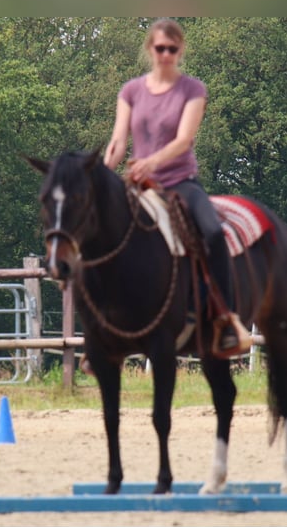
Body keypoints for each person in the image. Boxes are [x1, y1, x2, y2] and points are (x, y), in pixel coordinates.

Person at [103, 18, 249, 357]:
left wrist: (151, 162)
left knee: (212, 232)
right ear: (149, 49)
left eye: (172, 49)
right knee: (100, 231)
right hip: (139, 186)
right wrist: (101, 173)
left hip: (180, 184)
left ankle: (226, 318)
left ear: (180, 50)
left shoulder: (192, 90)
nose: (165, 54)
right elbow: (117, 140)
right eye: (159, 48)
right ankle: (105, 330)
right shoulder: (131, 92)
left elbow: (184, 140)